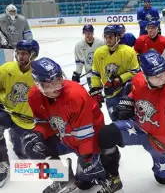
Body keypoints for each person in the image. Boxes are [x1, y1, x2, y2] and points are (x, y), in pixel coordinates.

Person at [96, 50, 165, 192]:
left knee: (163, 179)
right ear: (145, 75)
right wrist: (129, 100)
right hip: (139, 127)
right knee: (106, 135)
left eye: (164, 72)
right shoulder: (138, 79)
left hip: (162, 141)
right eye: (156, 76)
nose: (163, 78)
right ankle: (112, 178)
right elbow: (137, 92)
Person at [23, 57, 108, 193]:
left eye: (58, 80)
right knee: (33, 147)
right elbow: (43, 123)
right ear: (38, 84)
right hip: (64, 133)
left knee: (85, 182)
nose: (56, 87)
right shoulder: (34, 95)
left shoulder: (76, 95)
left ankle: (102, 162)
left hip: (90, 135)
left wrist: (87, 157)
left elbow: (86, 132)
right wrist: (38, 134)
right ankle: (62, 178)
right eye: (49, 84)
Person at [0, 40, 39, 187]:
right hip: (7, 113)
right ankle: (2, 162)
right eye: (19, 52)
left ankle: (15, 136)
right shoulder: (6, 69)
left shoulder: (39, 72)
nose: (20, 56)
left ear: (33, 55)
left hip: (27, 120)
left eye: (24, 53)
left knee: (22, 153)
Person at [90, 25, 139, 120]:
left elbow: (135, 71)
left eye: (110, 37)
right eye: (106, 37)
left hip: (127, 93)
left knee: (130, 121)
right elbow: (96, 73)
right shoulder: (99, 52)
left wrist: (118, 80)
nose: (107, 40)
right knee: (115, 120)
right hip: (109, 94)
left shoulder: (128, 52)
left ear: (118, 37)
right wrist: (96, 91)